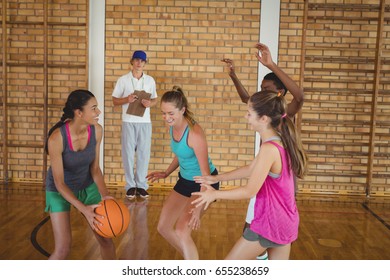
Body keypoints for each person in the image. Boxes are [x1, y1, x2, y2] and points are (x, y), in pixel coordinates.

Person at [192, 90, 308, 260]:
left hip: (270, 223)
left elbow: (249, 191)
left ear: (264, 119)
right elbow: (251, 169)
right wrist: (217, 178)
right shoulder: (278, 142)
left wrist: (214, 194)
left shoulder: (269, 149)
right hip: (286, 222)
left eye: (249, 113)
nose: (246, 117)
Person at [221, 42, 304, 259]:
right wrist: (233, 75)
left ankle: (259, 255)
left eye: (266, 89)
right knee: (257, 233)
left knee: (255, 233)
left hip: (276, 187)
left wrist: (271, 64)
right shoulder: (267, 114)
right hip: (267, 184)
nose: (261, 92)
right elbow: (246, 98)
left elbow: (300, 96)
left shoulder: (283, 113)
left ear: (279, 92)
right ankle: (261, 257)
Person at [146, 86, 219, 260]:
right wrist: (166, 173)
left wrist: (198, 208)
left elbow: (206, 176)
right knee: (163, 228)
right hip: (184, 181)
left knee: (181, 230)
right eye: (163, 113)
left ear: (183, 110)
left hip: (204, 183)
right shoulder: (172, 127)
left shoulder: (195, 134)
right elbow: (181, 155)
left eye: (171, 113)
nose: (166, 118)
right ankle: (192, 261)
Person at [45, 89, 116, 260]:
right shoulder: (57, 139)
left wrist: (106, 196)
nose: (98, 112)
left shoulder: (97, 131)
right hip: (59, 191)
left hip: (87, 186)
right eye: (93, 108)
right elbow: (60, 183)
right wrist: (84, 209)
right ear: (79, 113)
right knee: (63, 249)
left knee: (106, 240)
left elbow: (95, 169)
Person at [112, 50, 158, 200]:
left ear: (145, 63)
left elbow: (156, 99)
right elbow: (114, 100)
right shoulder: (123, 80)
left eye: (142, 61)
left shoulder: (150, 80)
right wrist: (127, 99)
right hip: (129, 121)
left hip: (145, 122)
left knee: (144, 154)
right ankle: (130, 186)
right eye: (137, 60)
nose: (139, 63)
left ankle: (142, 186)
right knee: (128, 154)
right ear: (132, 61)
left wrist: (149, 103)